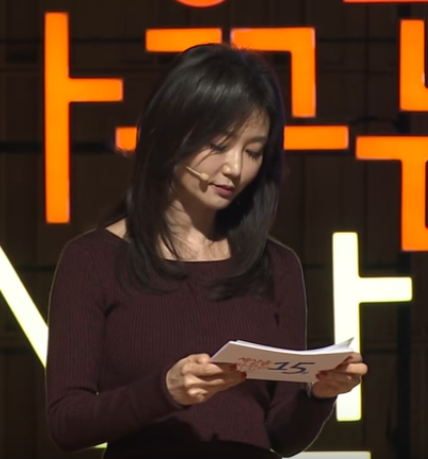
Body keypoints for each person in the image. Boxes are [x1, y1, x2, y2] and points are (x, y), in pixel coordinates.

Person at [45, 43, 367, 459]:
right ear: (169, 133)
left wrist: (318, 394)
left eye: (252, 152)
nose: (235, 168)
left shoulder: (277, 266)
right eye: (219, 145)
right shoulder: (93, 261)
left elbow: (283, 438)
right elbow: (67, 422)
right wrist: (164, 391)